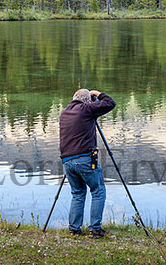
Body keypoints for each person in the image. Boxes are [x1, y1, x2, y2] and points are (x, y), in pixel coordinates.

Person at [59, 88, 116, 238]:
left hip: (67, 161)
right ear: (88, 101)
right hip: (84, 159)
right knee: (98, 191)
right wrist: (97, 94)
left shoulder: (64, 113)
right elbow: (110, 103)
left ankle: (74, 229)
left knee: (77, 193)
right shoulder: (86, 109)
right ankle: (95, 229)